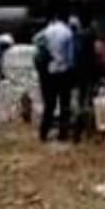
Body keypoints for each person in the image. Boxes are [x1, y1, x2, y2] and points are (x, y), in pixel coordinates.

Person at [36, 13, 74, 142]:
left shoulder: (48, 30)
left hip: (49, 73)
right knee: (64, 105)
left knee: (49, 105)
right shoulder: (68, 33)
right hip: (63, 73)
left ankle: (43, 133)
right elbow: (70, 57)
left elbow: (35, 40)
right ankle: (63, 134)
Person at [70, 12, 99, 141]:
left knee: (81, 101)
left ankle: (78, 132)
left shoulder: (77, 35)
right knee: (88, 102)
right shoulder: (90, 35)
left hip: (79, 72)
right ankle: (87, 130)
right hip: (89, 72)